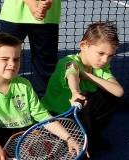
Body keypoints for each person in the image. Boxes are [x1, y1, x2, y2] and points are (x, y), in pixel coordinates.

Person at [41, 22, 124, 151]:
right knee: (64, 153)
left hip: (78, 113)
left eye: (110, 56)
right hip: (55, 115)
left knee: (110, 96)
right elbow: (72, 74)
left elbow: (118, 91)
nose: (104, 60)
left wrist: (86, 75)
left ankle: (91, 136)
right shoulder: (69, 62)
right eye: (101, 53)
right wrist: (75, 92)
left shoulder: (100, 67)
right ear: (83, 45)